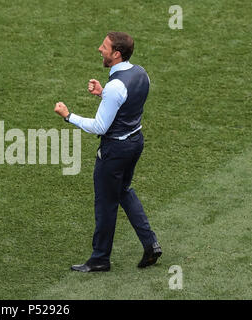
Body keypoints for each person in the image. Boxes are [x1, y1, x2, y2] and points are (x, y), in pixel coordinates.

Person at [54, 31, 162, 272]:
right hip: (135, 142)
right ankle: (150, 243)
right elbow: (128, 102)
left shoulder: (116, 86)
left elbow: (100, 126)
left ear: (116, 54)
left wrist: (68, 116)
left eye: (104, 47)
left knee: (106, 203)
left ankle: (100, 258)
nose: (99, 50)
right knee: (124, 191)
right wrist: (103, 93)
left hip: (115, 150)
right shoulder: (141, 73)